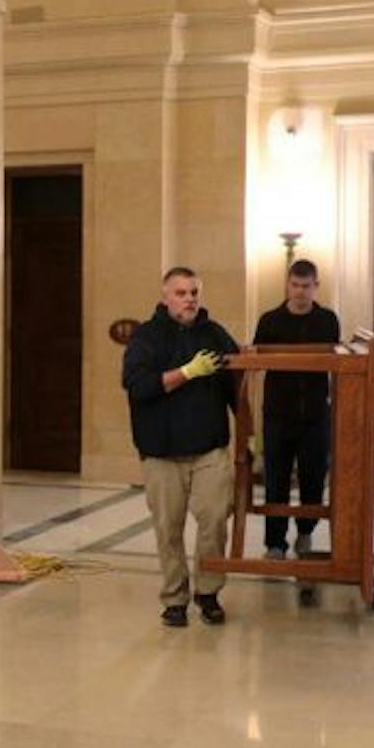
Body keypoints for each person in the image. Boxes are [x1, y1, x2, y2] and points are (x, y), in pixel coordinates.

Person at [122, 268, 241, 626]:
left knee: (215, 519)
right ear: (165, 297)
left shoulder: (215, 334)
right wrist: (186, 372)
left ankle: (209, 593)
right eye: (180, 293)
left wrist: (250, 433)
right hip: (161, 450)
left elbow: (238, 381)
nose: (189, 299)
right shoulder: (146, 337)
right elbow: (138, 386)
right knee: (168, 527)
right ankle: (175, 598)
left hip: (209, 448)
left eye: (193, 292)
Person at [251, 259, 340, 558]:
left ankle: (306, 532)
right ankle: (275, 543)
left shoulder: (327, 319)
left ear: (316, 287)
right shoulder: (269, 320)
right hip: (278, 413)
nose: (300, 292)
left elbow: (334, 359)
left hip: (315, 414)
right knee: (276, 478)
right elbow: (258, 360)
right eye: (295, 285)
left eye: (306, 286)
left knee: (314, 478)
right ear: (287, 285)